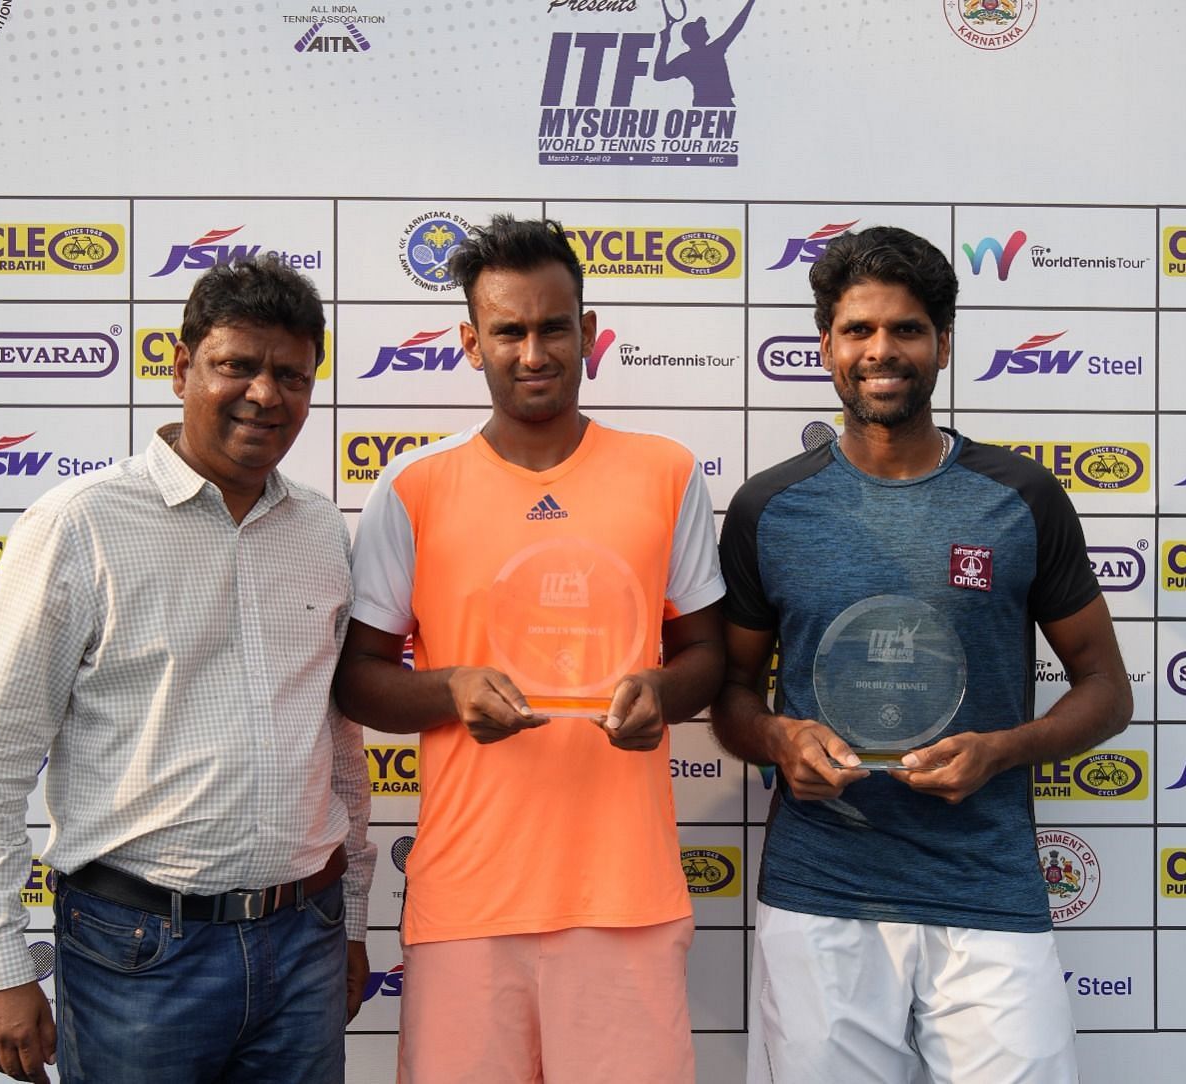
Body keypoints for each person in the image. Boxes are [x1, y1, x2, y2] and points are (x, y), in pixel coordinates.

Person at [0, 255, 377, 1084]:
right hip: (138, 952)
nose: (265, 394)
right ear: (181, 367)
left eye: (291, 374)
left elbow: (341, 748)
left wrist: (349, 921)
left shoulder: (322, 531)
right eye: (236, 365)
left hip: (305, 942)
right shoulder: (79, 525)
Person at [712, 226, 1132, 1084]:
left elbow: (1105, 688)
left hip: (987, 887)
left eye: (906, 329)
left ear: (943, 343)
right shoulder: (769, 509)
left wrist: (1003, 749)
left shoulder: (1021, 499)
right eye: (858, 330)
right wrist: (780, 740)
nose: (881, 351)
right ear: (825, 344)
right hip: (823, 891)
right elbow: (729, 694)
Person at [335, 215, 725, 1083]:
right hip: (469, 896)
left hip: (625, 895)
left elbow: (706, 651)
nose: (534, 350)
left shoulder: (665, 472)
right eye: (508, 331)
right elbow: (358, 681)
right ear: (471, 343)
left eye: (554, 327)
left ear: (589, 332)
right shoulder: (413, 485)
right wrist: (450, 691)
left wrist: (663, 693)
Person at [653, 0, 757, 107]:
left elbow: (659, 75)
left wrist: (664, 44)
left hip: (702, 104)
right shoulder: (714, 50)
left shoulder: (685, 59)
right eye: (701, 28)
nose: (705, 28)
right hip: (722, 103)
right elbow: (736, 27)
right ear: (697, 36)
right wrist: (750, 3)